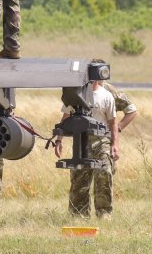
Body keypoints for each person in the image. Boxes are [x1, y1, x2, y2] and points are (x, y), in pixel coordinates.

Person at [54, 81, 119, 218]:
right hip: (81, 141)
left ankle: (104, 214)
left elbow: (113, 123)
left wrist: (115, 145)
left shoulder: (106, 96)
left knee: (104, 175)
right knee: (79, 179)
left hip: (102, 142)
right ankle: (79, 216)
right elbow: (65, 118)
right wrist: (59, 140)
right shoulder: (75, 95)